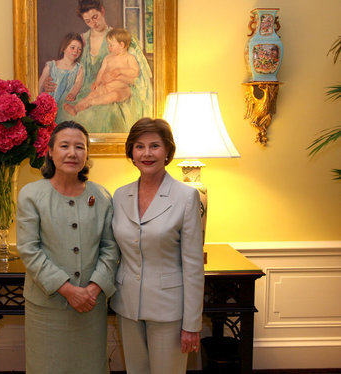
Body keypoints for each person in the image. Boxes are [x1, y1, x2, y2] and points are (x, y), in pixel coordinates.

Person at [16, 121, 119, 374]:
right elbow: (29, 250)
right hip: (47, 307)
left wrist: (93, 290)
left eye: (79, 147)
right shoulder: (31, 195)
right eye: (64, 146)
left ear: (87, 154)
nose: (72, 153)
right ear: (50, 151)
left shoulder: (102, 196)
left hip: (90, 306)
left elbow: (110, 248)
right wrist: (68, 290)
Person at [110, 118, 204, 374]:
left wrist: (192, 324)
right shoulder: (119, 195)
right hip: (127, 306)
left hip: (169, 310)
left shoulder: (186, 197)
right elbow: (113, 251)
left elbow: (194, 265)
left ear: (167, 151)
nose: (147, 153)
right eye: (139, 146)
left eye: (155, 146)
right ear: (131, 152)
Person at [44, 0, 153, 133]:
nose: (93, 23)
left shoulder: (120, 38)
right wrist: (52, 80)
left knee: (106, 112)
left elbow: (138, 75)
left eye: (95, 17)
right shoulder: (81, 40)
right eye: (88, 21)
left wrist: (119, 75)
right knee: (62, 108)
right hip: (88, 89)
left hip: (118, 89)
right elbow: (69, 67)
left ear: (102, 11)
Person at [64, 28, 139, 116]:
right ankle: (75, 108)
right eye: (108, 44)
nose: (108, 47)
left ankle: (91, 103)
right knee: (93, 94)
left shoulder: (129, 58)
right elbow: (101, 71)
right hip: (106, 86)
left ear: (122, 45)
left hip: (122, 89)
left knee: (114, 95)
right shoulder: (108, 58)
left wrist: (120, 71)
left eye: (111, 45)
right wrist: (97, 82)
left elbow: (135, 72)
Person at [38, 32, 85, 104]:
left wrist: (73, 94)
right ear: (64, 48)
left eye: (79, 49)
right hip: (49, 103)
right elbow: (40, 86)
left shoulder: (79, 68)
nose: (76, 51)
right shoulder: (51, 66)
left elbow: (78, 84)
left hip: (66, 103)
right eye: (72, 47)